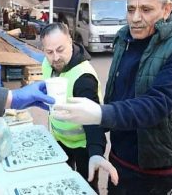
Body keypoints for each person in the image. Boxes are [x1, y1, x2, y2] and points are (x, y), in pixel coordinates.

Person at [54, 0, 172, 195]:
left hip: (158, 167)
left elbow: (156, 104)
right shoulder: (124, 39)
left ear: (166, 9)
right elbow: (116, 97)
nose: (135, 18)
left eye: (146, 10)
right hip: (120, 160)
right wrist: (95, 148)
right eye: (131, 9)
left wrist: (100, 113)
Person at [41, 22, 116, 192]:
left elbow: (93, 119)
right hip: (59, 140)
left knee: (86, 187)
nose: (55, 57)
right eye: (49, 52)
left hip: (84, 145)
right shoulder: (47, 65)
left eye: (60, 50)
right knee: (63, 185)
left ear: (71, 41)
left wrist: (96, 151)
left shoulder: (83, 77)